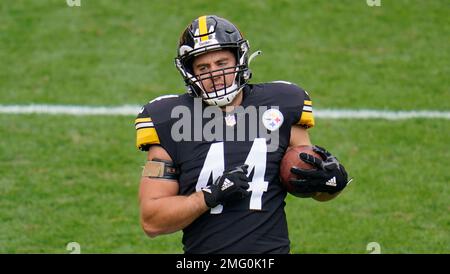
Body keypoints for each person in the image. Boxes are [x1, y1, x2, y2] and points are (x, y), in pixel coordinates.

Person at [135, 15, 350, 254]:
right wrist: (208, 196)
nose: (213, 74)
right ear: (189, 72)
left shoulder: (283, 103)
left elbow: (305, 181)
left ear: (240, 59)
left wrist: (331, 183)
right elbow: (152, 220)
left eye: (221, 63)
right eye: (203, 67)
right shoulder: (167, 118)